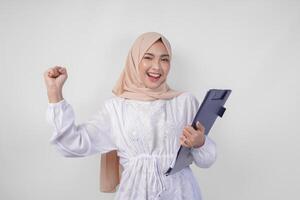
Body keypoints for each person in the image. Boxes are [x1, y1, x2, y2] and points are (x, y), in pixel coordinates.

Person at [43, 32, 217, 200]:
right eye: (148, 57)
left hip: (181, 193)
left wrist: (200, 143)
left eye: (164, 59)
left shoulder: (185, 102)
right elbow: (71, 144)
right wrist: (54, 92)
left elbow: (206, 160)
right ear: (134, 61)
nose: (156, 66)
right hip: (135, 194)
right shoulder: (116, 108)